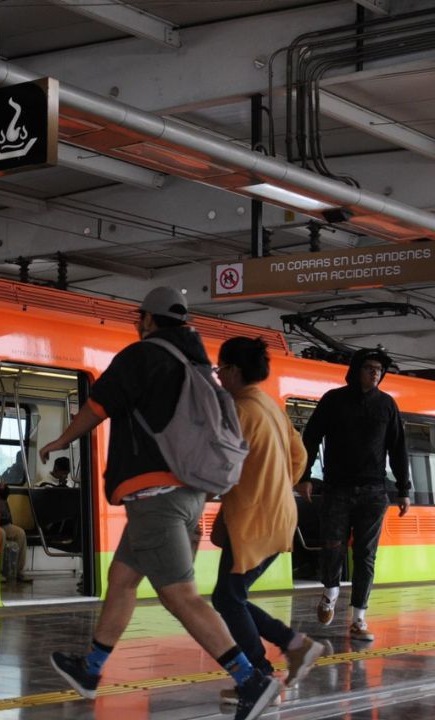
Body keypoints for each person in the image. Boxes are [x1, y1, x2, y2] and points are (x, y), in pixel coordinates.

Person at [38, 287, 280, 720]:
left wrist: (61, 439)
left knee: (181, 597)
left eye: (139, 317)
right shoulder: (199, 366)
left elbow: (98, 405)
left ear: (148, 319)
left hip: (156, 499)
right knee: (123, 579)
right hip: (186, 493)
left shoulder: (142, 356)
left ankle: (251, 679)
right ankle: (90, 669)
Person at [211, 337, 325, 703]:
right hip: (279, 515)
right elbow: (300, 454)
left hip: (252, 520)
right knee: (231, 596)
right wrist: (277, 486)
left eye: (220, 370)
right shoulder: (270, 406)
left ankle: (261, 675)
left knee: (229, 598)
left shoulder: (240, 409)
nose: (219, 377)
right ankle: (293, 647)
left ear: (232, 370)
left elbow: (221, 467)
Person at [299, 347, 410, 641]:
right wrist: (305, 476)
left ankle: (359, 619)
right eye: (369, 367)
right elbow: (310, 438)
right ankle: (330, 593)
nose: (375, 373)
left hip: (374, 490)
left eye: (379, 369)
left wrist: (403, 489)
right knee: (332, 545)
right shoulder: (333, 400)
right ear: (356, 370)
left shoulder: (387, 405)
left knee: (365, 555)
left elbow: (398, 448)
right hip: (337, 488)